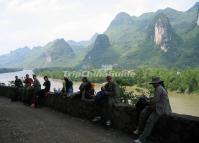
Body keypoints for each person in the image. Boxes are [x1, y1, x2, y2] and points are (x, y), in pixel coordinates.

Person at [133, 77, 172, 143]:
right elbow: (154, 98)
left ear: (157, 83)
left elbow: (155, 100)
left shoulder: (159, 89)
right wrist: (148, 99)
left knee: (150, 121)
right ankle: (139, 129)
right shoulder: (159, 88)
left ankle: (141, 139)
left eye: (153, 83)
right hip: (157, 107)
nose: (153, 85)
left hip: (161, 109)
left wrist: (146, 100)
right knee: (144, 113)